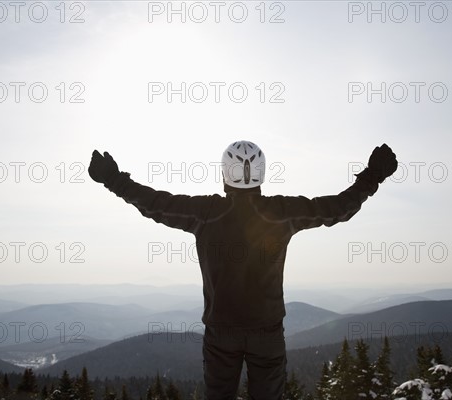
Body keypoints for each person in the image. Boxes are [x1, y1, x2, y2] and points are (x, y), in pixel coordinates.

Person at [88, 141, 397, 400]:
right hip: (267, 332)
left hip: (221, 333)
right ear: (261, 176)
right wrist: (372, 177)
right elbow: (338, 208)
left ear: (225, 176)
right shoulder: (281, 213)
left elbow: (154, 203)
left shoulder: (205, 213)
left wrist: (114, 180)